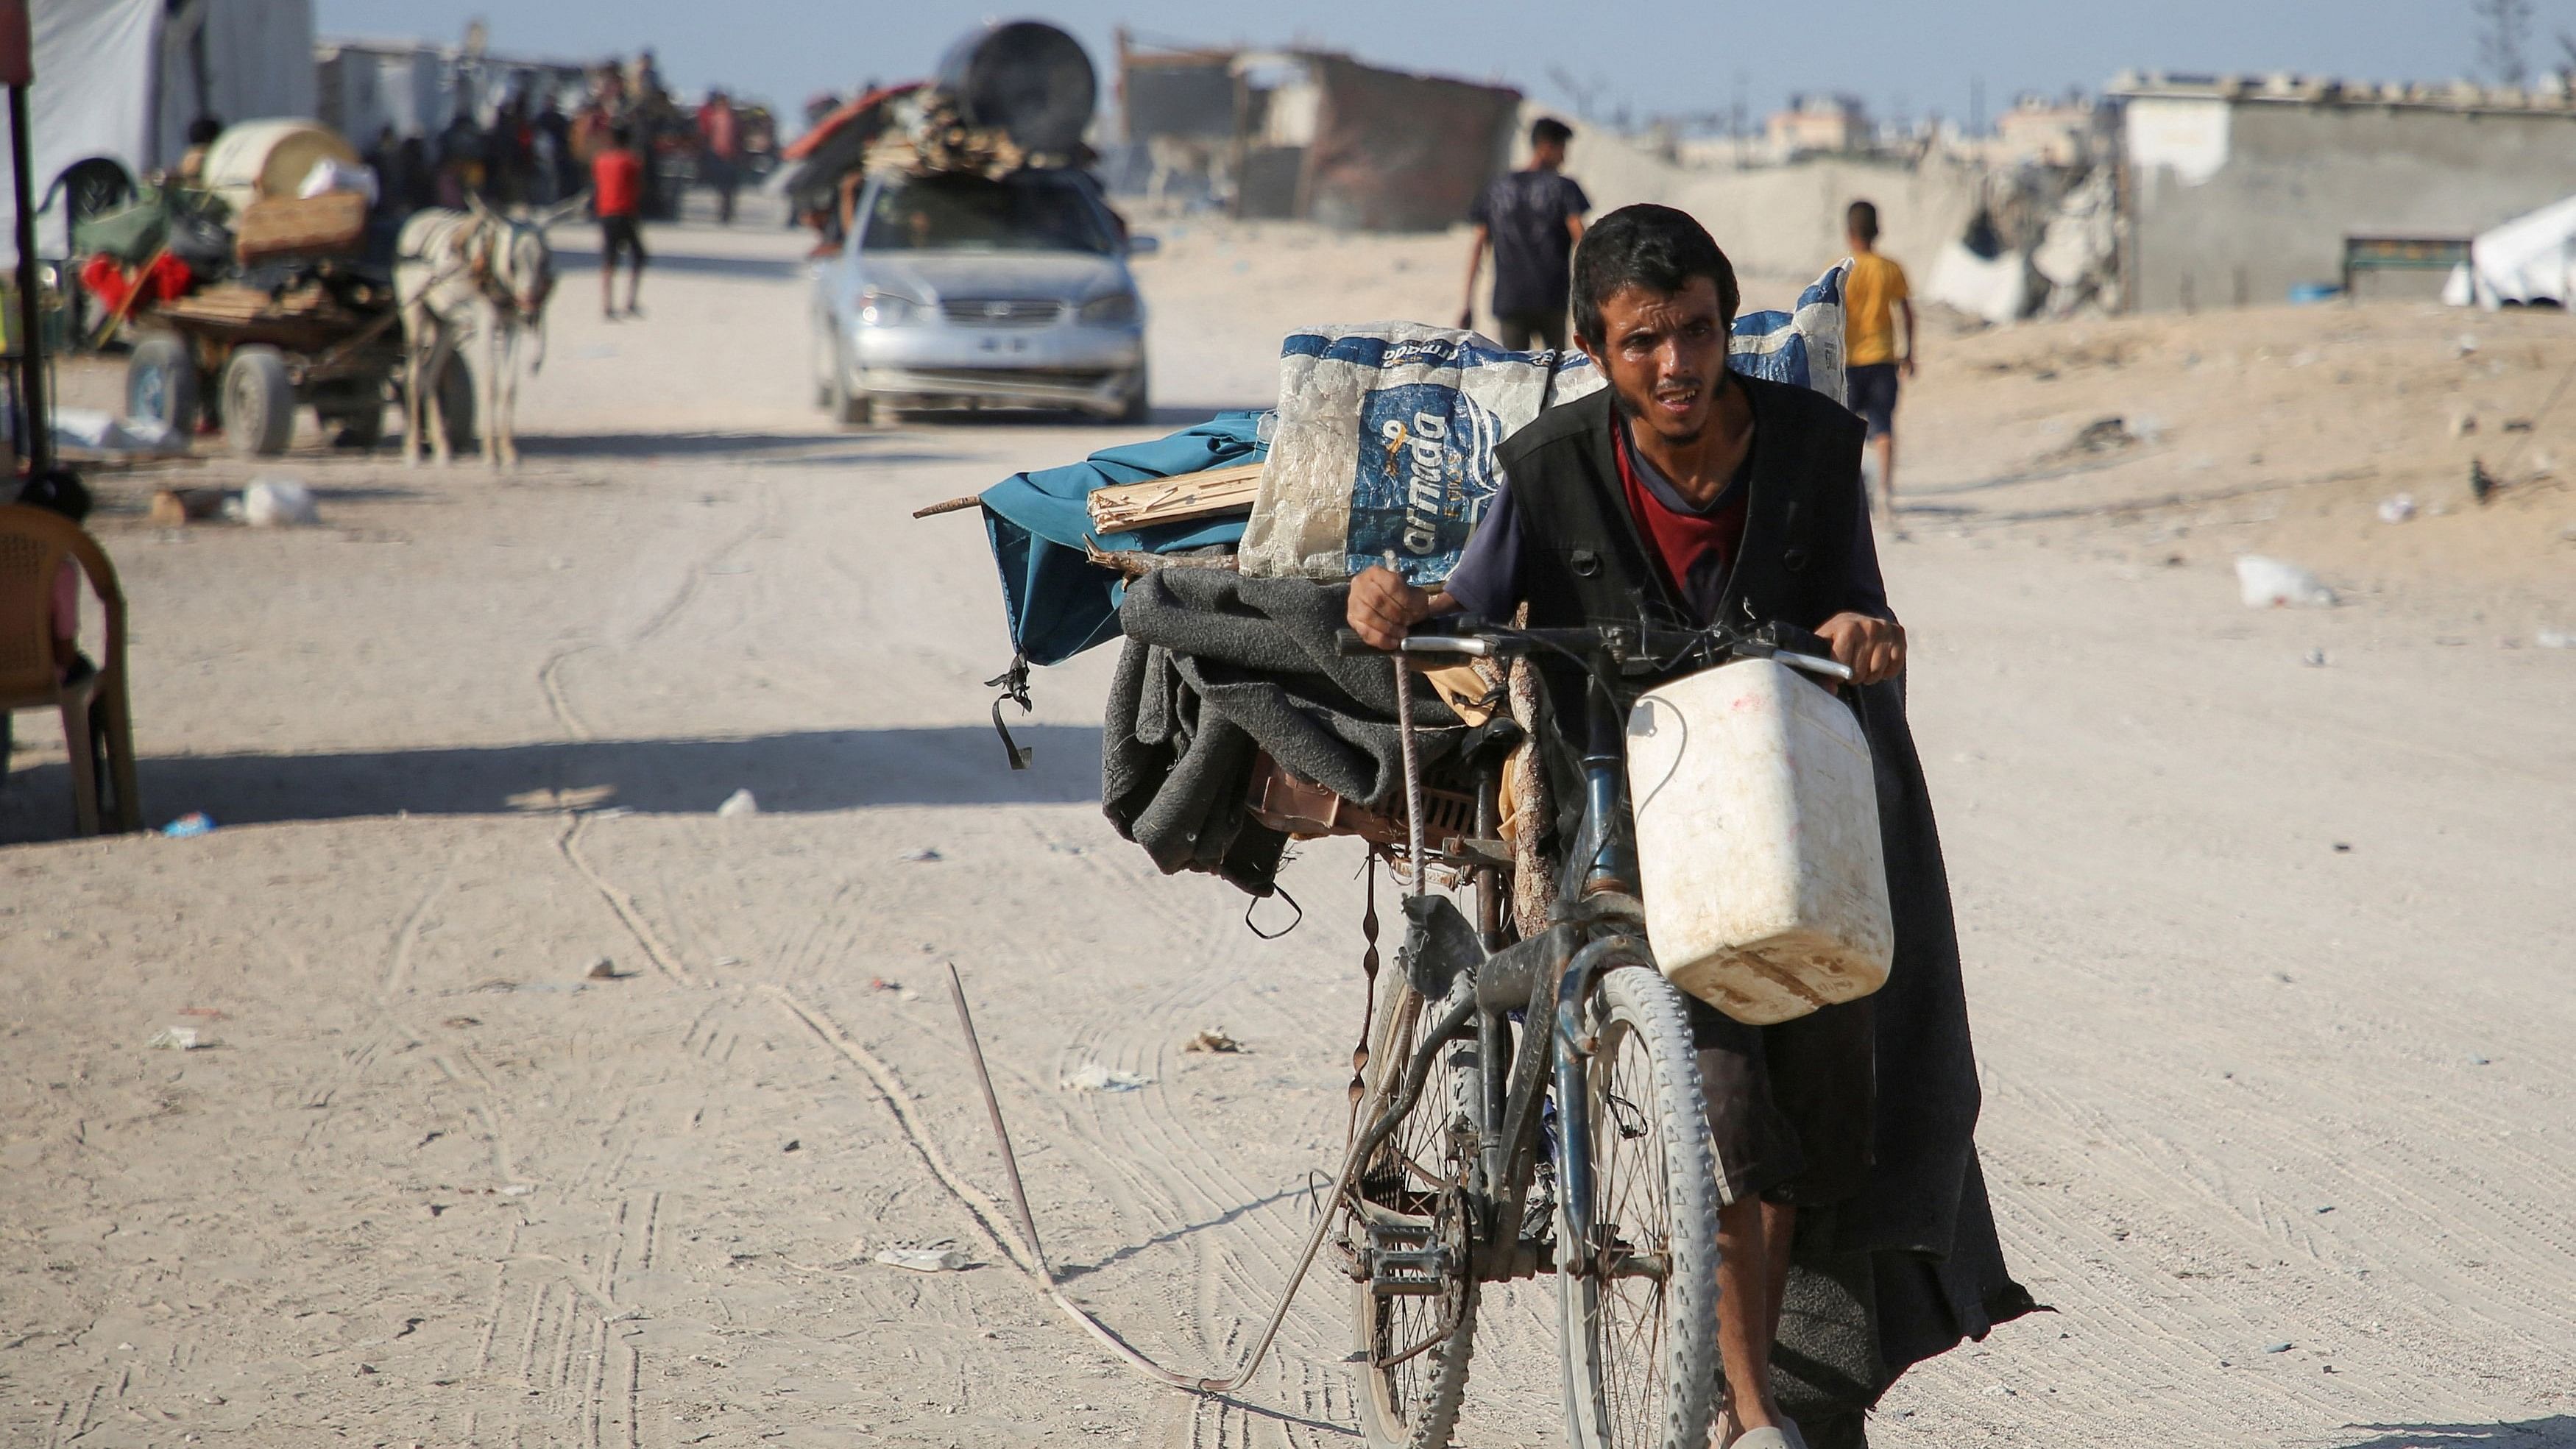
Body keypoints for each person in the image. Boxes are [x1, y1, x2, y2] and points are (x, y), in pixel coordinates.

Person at [1349, 204, 1905, 1448]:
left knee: (1820, 1094)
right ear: (1602, 351)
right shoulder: (1550, 467)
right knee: (1723, 1093)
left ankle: (1757, 1384)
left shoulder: (1816, 448)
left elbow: (1861, 605)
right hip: (1622, 792)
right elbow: (1471, 599)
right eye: (1645, 341)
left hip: (1774, 801)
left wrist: (1866, 631)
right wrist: (1400, 598)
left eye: (1700, 331)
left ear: (1725, 323)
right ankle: (1750, 1414)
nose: (1679, 365)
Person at [1462, 116, 1590, 351]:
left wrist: (1467, 302)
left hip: (1510, 299)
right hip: (1551, 297)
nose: (1564, 157)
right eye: (1562, 149)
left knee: (1515, 374)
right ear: (1546, 146)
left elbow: (1478, 247)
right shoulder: (1564, 188)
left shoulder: (1496, 188)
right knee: (1557, 373)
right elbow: (1582, 240)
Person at [1840, 199, 1915, 527]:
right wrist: (1909, 352)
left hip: (1848, 360)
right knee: (1883, 427)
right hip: (1883, 358)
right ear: (1878, 231)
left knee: (1844, 429)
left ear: (1849, 233)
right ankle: (1885, 492)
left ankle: (1847, 491)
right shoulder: (1890, 268)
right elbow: (1907, 313)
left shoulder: (1840, 268)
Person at [592, 122, 648, 319]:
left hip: (606, 213)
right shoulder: (632, 161)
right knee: (639, 256)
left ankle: (607, 305)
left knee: (609, 260)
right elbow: (639, 187)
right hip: (626, 213)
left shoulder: (601, 160)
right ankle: (630, 302)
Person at [697, 89, 742, 224]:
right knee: (723, 187)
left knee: (728, 187)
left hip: (730, 155)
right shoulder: (716, 118)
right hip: (718, 154)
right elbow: (708, 135)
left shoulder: (731, 118)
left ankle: (726, 212)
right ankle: (724, 212)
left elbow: (738, 137)